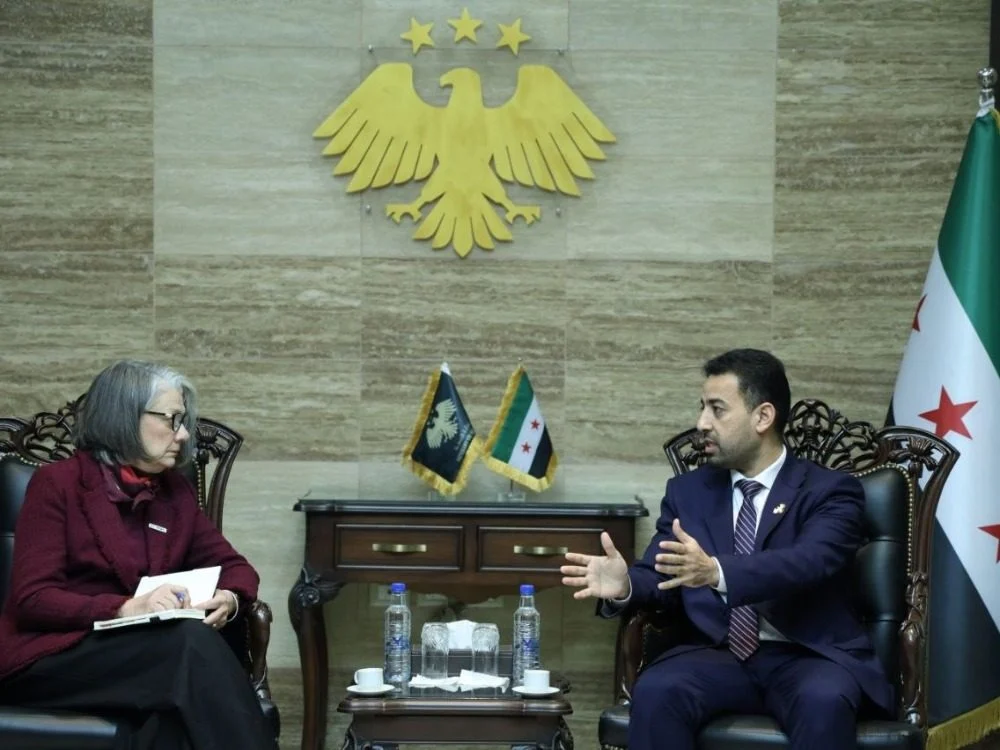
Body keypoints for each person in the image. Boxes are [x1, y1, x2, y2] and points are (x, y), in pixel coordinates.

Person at [560, 349, 893, 750]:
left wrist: (717, 572)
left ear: (763, 417)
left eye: (717, 409)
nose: (702, 423)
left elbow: (811, 561)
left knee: (823, 700)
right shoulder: (689, 492)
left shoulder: (829, 490)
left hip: (808, 655)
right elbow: (664, 571)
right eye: (702, 407)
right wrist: (626, 585)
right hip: (719, 653)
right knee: (659, 690)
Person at [0, 360, 273, 750]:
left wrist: (228, 598)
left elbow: (235, 567)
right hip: (54, 655)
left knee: (174, 712)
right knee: (186, 645)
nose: (183, 435)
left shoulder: (173, 492)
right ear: (125, 417)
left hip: (144, 659)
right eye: (172, 419)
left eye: (183, 421)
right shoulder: (58, 484)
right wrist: (126, 608)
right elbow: (33, 599)